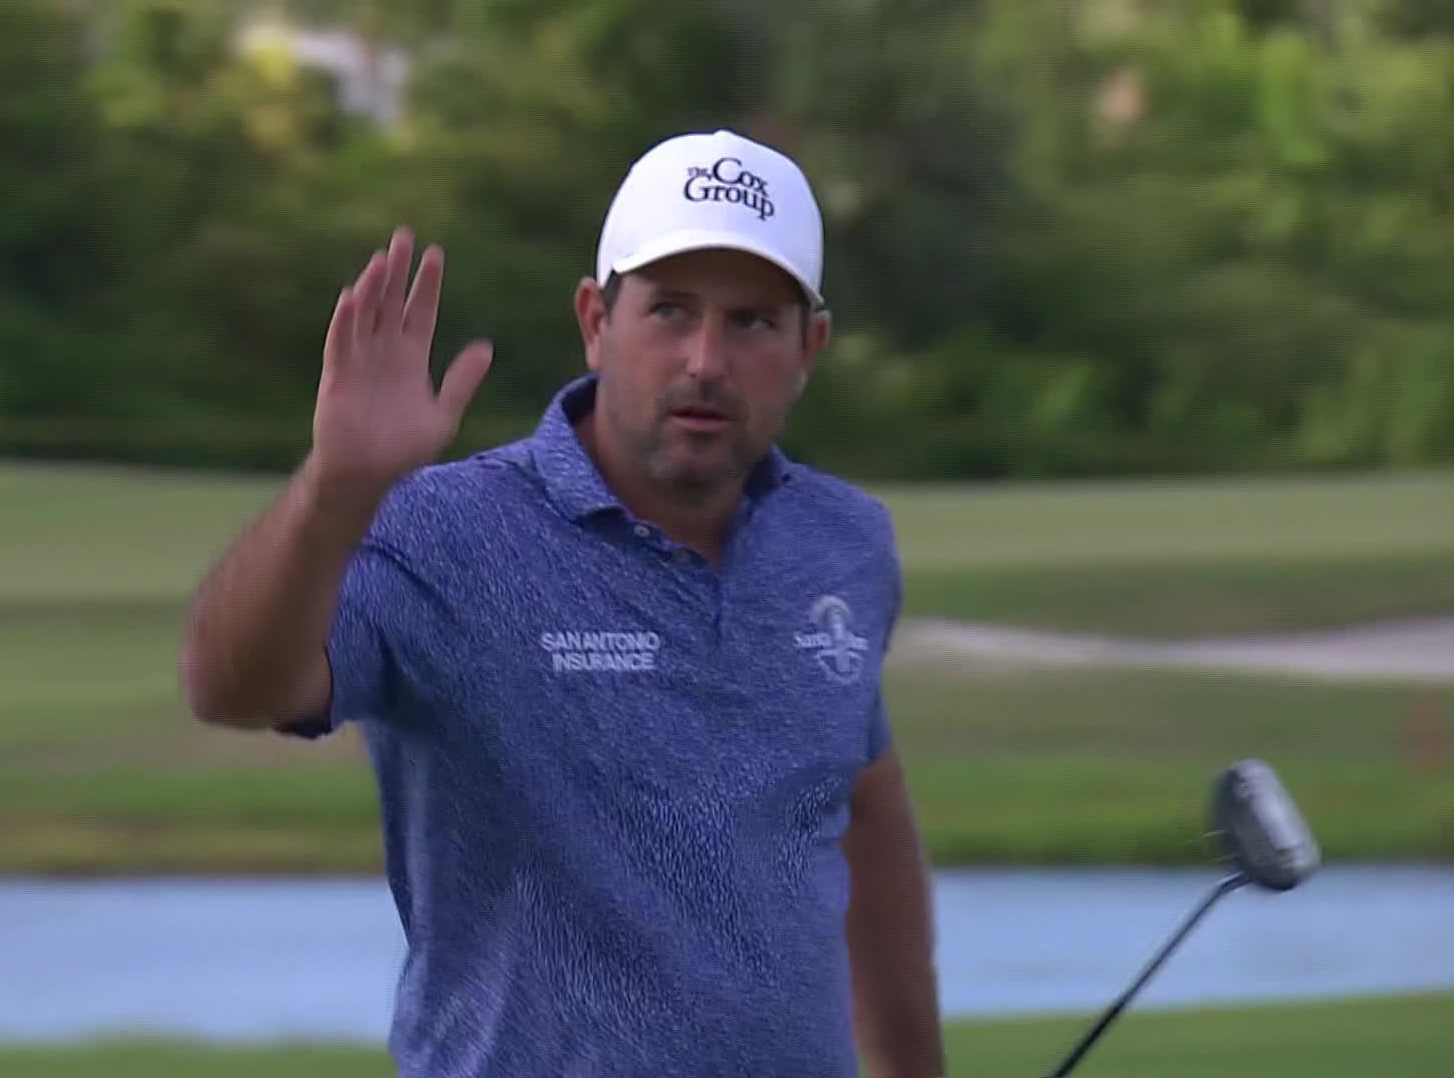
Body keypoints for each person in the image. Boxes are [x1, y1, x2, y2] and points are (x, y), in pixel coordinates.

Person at [180, 128, 945, 1078]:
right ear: (596, 319)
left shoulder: (842, 542)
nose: (705, 358)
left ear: (808, 348)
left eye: (752, 321)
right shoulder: (445, 534)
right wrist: (333, 494)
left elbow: (862, 803)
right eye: (670, 309)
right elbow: (230, 687)